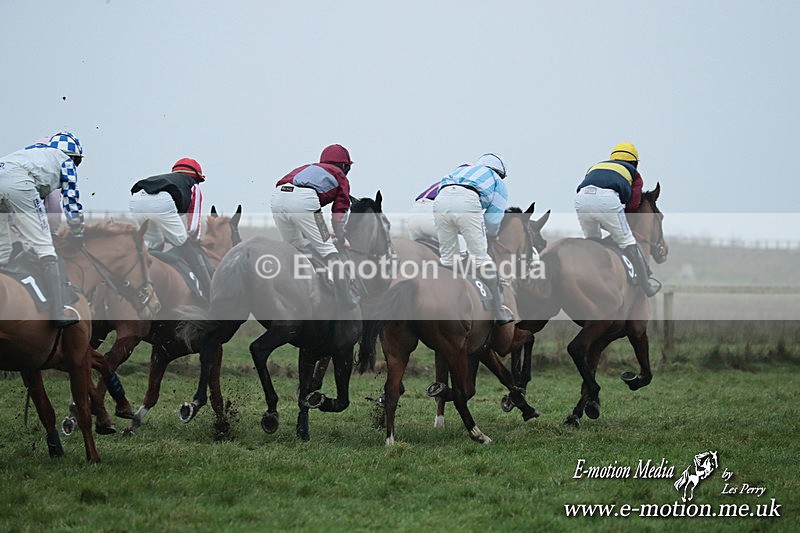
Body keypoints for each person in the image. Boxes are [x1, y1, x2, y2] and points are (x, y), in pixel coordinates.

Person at [0, 131, 86, 327]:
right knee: (44, 246)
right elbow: (71, 202)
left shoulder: (30, 153)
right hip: (18, 183)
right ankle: (57, 312)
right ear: (74, 156)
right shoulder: (66, 161)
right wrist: (78, 232)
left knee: (2, 252)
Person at [270, 144, 358, 309]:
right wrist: (340, 236)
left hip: (277, 197)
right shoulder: (341, 177)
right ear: (345, 166)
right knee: (329, 251)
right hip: (304, 200)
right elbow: (339, 212)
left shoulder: (308, 167)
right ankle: (347, 298)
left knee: (294, 247)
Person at [433, 153, 513, 324]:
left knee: (448, 258)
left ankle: (441, 300)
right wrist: (491, 234)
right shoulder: (497, 181)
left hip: (440, 200)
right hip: (467, 201)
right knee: (481, 258)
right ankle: (499, 312)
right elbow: (493, 218)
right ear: (501, 173)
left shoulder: (463, 170)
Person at [574, 141, 660, 297]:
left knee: (593, 241)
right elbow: (633, 204)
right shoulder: (635, 175)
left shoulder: (596, 166)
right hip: (608, 201)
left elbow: (582, 186)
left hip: (581, 199)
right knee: (628, 241)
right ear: (634, 162)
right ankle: (646, 285)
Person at [129, 158, 212, 299]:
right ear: (196, 177)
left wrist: (170, 235)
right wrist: (194, 240)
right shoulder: (193, 186)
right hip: (160, 204)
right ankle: (208, 290)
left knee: (154, 244)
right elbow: (192, 226)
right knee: (184, 243)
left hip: (136, 200)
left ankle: (142, 283)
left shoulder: (167, 181)